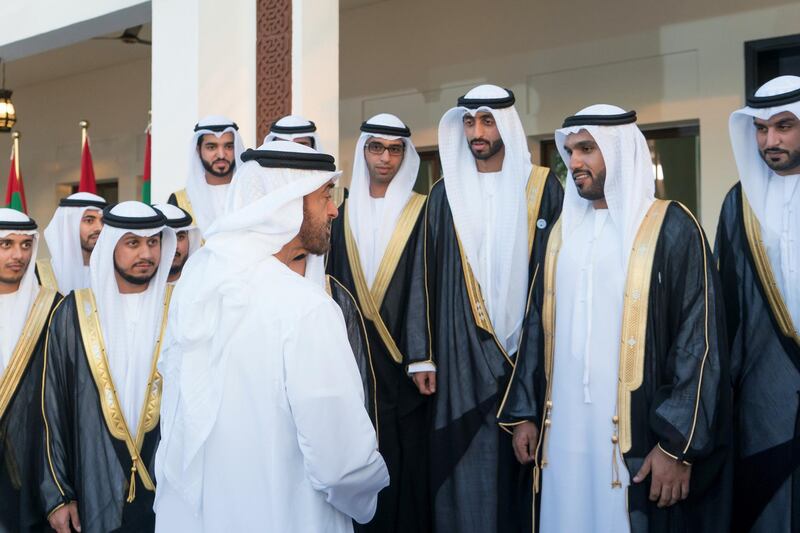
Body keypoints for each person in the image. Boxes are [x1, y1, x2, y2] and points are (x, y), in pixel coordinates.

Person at [499, 105, 731, 532]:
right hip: (563, 434)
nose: (575, 162)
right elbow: (537, 327)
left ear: (620, 152)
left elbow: (698, 342)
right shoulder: (561, 234)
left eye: (588, 149)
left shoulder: (672, 227)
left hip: (637, 439)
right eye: (569, 150)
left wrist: (677, 445)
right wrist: (524, 414)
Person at [154, 141, 389, 532]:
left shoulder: (197, 284)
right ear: (286, 204)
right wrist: (368, 495)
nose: (333, 209)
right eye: (324, 196)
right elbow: (340, 463)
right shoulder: (305, 307)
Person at [403, 84, 563, 532]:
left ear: (506, 125)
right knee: (462, 474)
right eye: (470, 122)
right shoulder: (443, 194)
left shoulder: (542, 187)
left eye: (487, 120)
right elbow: (423, 274)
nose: (477, 131)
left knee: (525, 479)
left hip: (528, 353)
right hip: (459, 355)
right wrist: (422, 353)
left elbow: (554, 275)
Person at [41, 202, 176, 533]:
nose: (146, 252)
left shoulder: (181, 307)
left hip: (170, 490)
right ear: (110, 244)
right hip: (93, 486)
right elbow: (51, 410)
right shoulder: (72, 313)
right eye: (133, 242)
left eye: (154, 242)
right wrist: (58, 495)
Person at [327, 113, 430, 532]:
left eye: (394, 149)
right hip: (353, 356)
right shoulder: (343, 213)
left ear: (405, 155)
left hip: (405, 361)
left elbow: (429, 282)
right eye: (376, 147)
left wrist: (424, 356)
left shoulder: (423, 210)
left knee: (406, 459)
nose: (384, 158)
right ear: (364, 151)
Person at [716, 75, 800, 533]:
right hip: (763, 397)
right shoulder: (739, 204)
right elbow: (725, 309)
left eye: (784, 126)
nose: (771, 140)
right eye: (762, 129)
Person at [0, 209, 60, 532]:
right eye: (6, 244)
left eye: (26, 245)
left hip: (36, 466)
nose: (18, 255)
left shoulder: (51, 309)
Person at [167, 115, 245, 235]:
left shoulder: (252, 192)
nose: (221, 155)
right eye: (212, 147)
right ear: (198, 150)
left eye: (228, 147)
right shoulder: (180, 200)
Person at [42, 192, 107, 292]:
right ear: (69, 225)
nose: (100, 228)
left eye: (103, 221)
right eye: (89, 220)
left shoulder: (112, 273)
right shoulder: (43, 277)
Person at [153, 203, 201, 283]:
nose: (174, 246)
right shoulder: (134, 292)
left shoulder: (203, 286)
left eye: (180, 237)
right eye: (166, 238)